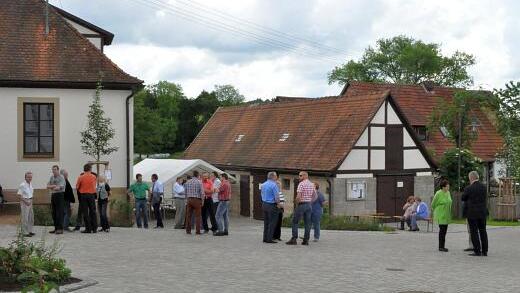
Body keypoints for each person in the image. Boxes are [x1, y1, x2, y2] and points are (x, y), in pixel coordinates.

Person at [462, 171, 488, 256]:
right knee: (483, 231)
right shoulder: (484, 187)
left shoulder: (468, 188)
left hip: (472, 214)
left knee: (474, 232)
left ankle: (477, 251)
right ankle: (484, 251)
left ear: (471, 178)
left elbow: (463, 198)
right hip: (482, 213)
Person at [287, 171, 316, 246]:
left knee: (295, 221)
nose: (299, 177)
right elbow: (315, 196)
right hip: (309, 205)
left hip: (302, 204)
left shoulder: (301, 184)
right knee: (307, 223)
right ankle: (306, 240)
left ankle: (294, 239)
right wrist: (310, 201)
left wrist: (296, 203)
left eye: (300, 176)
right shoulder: (312, 184)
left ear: (305, 176)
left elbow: (298, 196)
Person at [431, 179, 452, 252]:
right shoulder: (438, 193)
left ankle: (443, 246)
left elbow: (449, 202)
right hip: (440, 214)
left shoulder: (448, 193)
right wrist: (435, 212)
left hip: (446, 214)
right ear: (443, 187)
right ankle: (441, 247)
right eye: (447, 186)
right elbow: (433, 204)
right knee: (442, 230)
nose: (448, 187)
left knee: (444, 231)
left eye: (448, 186)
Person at [76, 164, 98, 233]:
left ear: (84, 169)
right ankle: (94, 228)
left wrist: (81, 189)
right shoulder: (94, 177)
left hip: (83, 196)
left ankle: (88, 229)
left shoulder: (81, 177)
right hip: (91, 195)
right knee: (93, 212)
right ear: (90, 169)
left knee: (85, 212)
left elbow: (77, 187)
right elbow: (94, 186)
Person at [261, 171, 280, 243]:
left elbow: (262, 194)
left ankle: (265, 238)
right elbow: (277, 197)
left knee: (266, 222)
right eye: (276, 176)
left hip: (264, 204)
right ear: (273, 177)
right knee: (272, 223)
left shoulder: (263, 184)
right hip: (272, 205)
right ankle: (269, 239)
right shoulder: (274, 185)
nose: (276, 177)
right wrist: (278, 204)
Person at [185, 171, 205, 235]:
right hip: (197, 200)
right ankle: (197, 231)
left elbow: (185, 192)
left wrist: (186, 199)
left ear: (192, 175)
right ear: (198, 175)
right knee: (198, 216)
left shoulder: (187, 182)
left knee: (188, 216)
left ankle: (188, 230)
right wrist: (203, 201)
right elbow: (202, 193)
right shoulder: (199, 182)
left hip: (189, 199)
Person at [47, 165, 65, 234]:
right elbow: (47, 186)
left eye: (55, 169)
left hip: (59, 195)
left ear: (58, 170)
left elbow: (60, 187)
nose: (53, 171)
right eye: (53, 169)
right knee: (54, 212)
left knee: (59, 212)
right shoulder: (52, 177)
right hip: (53, 195)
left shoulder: (61, 177)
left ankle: (60, 229)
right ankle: (56, 228)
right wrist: (53, 186)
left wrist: (53, 187)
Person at [17, 171, 35, 237]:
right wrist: (26, 201)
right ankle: (24, 232)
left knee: (31, 217)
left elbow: (31, 193)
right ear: (25, 177)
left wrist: (31, 200)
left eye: (30, 177)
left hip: (30, 201)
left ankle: (30, 231)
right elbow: (19, 195)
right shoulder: (22, 185)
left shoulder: (30, 184)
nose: (30, 178)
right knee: (25, 217)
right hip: (25, 202)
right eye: (28, 177)